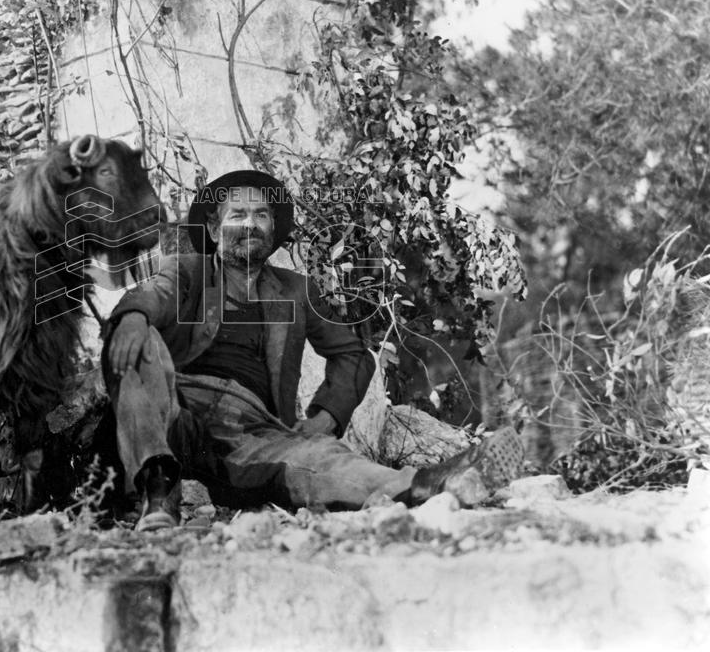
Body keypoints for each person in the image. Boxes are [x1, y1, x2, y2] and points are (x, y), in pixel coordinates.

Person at [102, 170, 522, 530]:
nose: (250, 225)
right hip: (178, 410)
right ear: (214, 230)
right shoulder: (187, 271)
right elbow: (153, 295)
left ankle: (434, 483)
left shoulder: (296, 290)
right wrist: (134, 317)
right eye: (238, 215)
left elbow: (353, 354)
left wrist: (326, 418)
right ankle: (158, 496)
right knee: (138, 336)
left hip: (254, 431)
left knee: (322, 458)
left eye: (261, 215)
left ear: (273, 230)